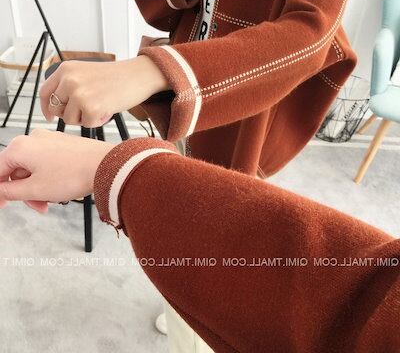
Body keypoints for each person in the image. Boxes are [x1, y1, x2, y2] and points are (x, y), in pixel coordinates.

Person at [1, 0, 359, 350]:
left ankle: (193, 320)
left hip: (238, 100)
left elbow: (311, 33)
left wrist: (152, 71)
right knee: (181, 210)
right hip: (184, 95)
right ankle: (182, 304)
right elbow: (158, 0)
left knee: (216, 230)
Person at [0, 131, 399, 353]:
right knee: (187, 290)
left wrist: (122, 170)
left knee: (213, 282)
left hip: (230, 133)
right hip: (193, 127)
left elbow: (354, 303)